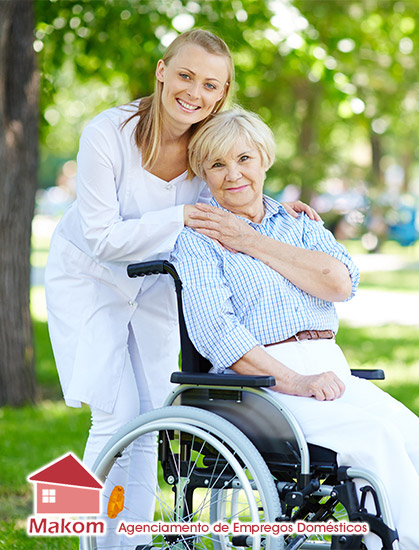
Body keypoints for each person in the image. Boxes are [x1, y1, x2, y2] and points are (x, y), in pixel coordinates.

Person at [44, 29, 316, 549]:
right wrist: (181, 216)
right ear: (162, 72)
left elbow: (236, 181)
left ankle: (130, 541)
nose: (195, 92)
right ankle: (91, 543)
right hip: (89, 279)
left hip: (153, 284)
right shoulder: (108, 133)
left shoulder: (208, 140)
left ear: (224, 91)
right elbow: (101, 238)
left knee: (151, 420)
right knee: (114, 414)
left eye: (211, 84)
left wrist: (280, 208)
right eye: (185, 75)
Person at [171, 108, 419, 550]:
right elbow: (216, 331)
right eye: (217, 164)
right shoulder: (197, 239)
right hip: (261, 386)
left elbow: (339, 283)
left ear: (264, 160)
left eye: (244, 159)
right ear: (202, 171)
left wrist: (249, 240)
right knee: (377, 441)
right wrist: (295, 380)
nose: (233, 174)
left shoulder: (300, 224)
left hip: (331, 371)